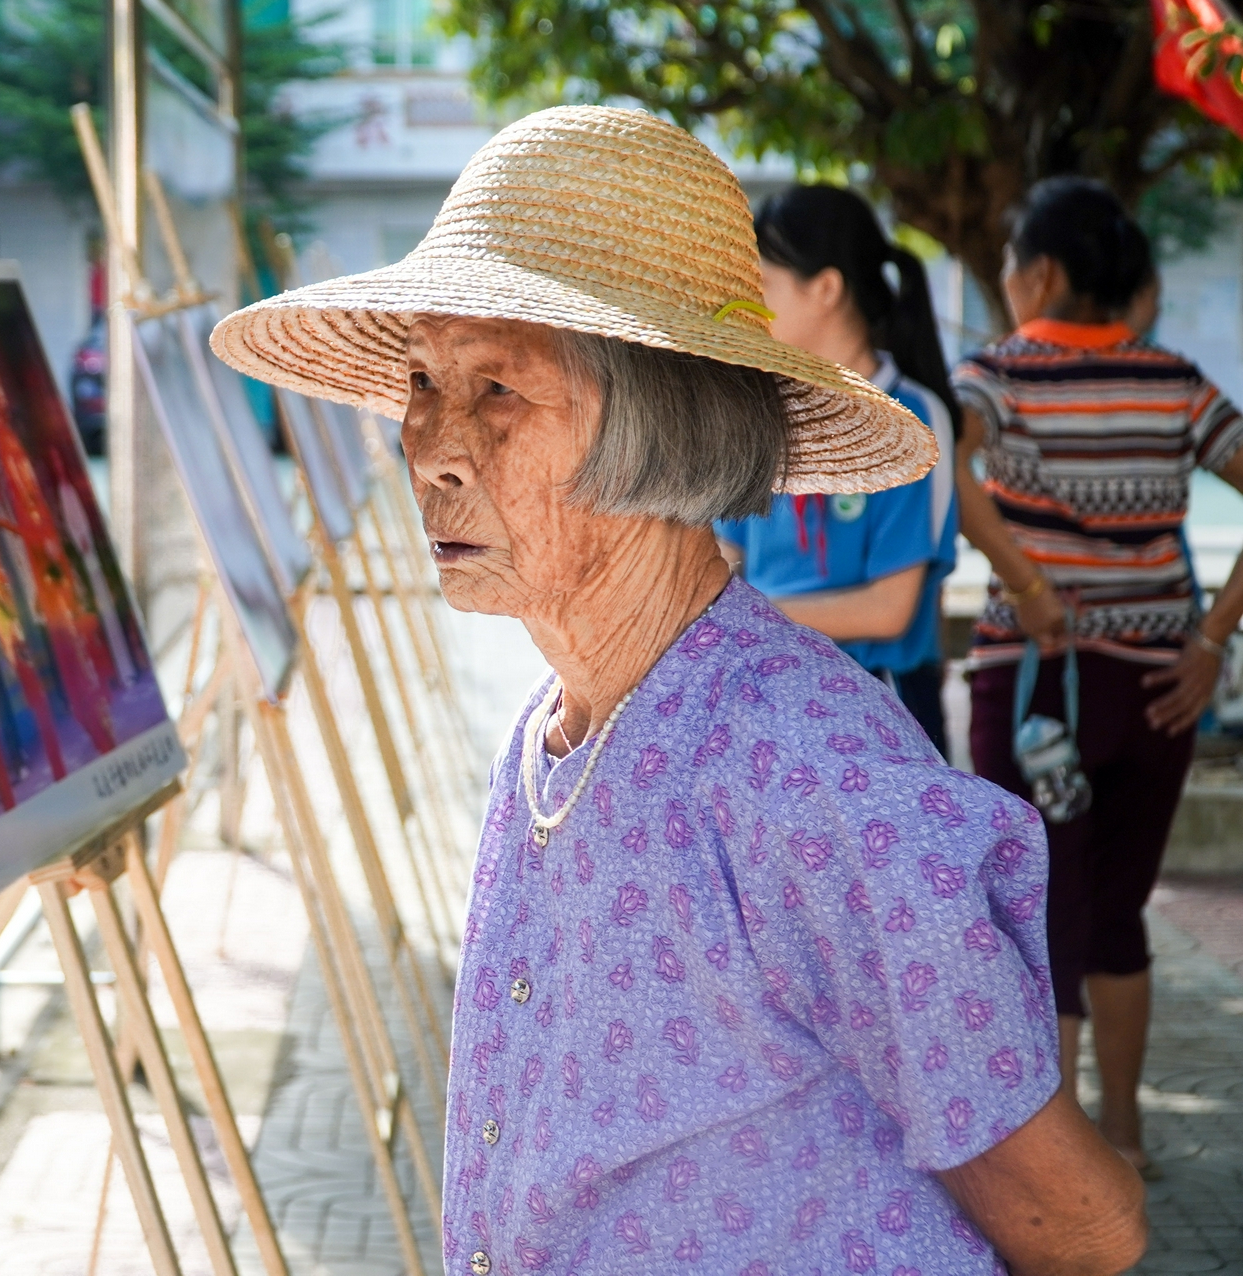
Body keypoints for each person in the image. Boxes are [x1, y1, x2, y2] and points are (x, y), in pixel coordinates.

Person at [211, 107, 1147, 1276]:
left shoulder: (804, 770)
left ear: (660, 430)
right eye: (417, 382)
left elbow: (1084, 1222)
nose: (431, 446)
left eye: (497, 388)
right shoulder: (554, 727)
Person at [954, 176, 1243, 1179]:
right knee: (1115, 908)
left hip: (1039, 686)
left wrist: (1024, 578)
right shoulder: (1173, 379)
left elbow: (940, 465)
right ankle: (1121, 1133)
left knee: (1038, 915)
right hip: (1161, 687)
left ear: (1038, 271)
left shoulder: (995, 371)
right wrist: (1212, 638)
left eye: (1004, 264)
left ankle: (1061, 1162)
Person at [715, 186, 959, 756]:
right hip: (761, 699)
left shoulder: (913, 418)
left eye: (763, 285)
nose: (747, 305)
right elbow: (721, 563)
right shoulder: (757, 415)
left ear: (825, 288)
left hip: (879, 711)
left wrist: (739, 618)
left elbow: (889, 611)